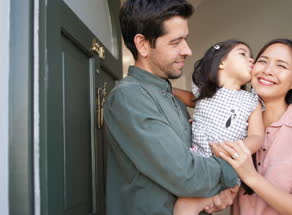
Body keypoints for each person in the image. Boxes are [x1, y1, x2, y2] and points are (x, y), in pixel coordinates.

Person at [103, 1, 240, 214]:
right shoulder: (129, 97)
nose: (187, 50)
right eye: (176, 42)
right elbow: (187, 176)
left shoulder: (173, 99)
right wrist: (234, 168)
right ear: (143, 45)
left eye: (185, 39)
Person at [211, 38, 292, 215]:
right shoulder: (235, 123)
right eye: (262, 61)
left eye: (282, 66)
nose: (268, 70)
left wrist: (251, 177)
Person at [172, 39, 264, 215]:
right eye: (243, 54)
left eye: (251, 56)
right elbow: (191, 99)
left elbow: (257, 136)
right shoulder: (205, 92)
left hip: (225, 168)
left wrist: (235, 150)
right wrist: (167, 89)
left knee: (185, 207)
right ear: (221, 62)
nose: (252, 59)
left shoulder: (251, 101)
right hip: (196, 163)